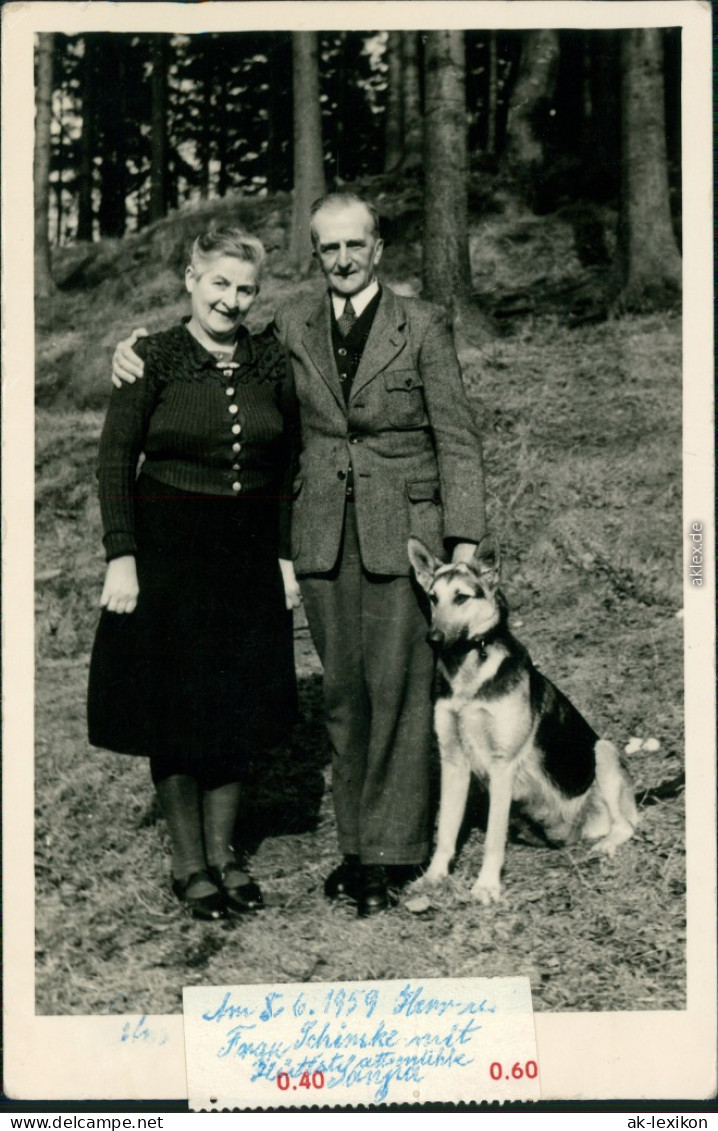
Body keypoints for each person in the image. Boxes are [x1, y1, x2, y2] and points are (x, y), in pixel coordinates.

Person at [110, 192, 486, 918]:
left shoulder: (424, 324)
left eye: (355, 245)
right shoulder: (290, 327)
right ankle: (355, 848)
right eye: (328, 248)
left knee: (400, 692)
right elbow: (210, 345)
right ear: (316, 255)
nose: (343, 259)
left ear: (378, 248)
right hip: (317, 537)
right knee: (345, 696)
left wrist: (460, 543)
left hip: (406, 537)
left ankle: (393, 852)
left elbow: (458, 436)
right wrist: (131, 351)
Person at [89, 226, 301, 922]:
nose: (231, 301)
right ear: (191, 278)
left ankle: (226, 852)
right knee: (174, 707)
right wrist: (122, 553)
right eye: (219, 284)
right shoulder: (151, 357)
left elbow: (285, 468)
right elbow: (115, 460)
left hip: (243, 556)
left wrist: (283, 555)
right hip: (167, 550)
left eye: (245, 289)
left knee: (235, 702)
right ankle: (189, 860)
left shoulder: (270, 360)